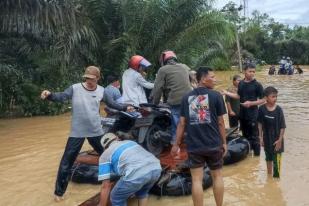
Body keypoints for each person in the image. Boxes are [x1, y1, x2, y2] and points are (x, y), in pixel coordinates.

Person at [40, 66, 105, 201]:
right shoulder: (75, 88)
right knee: (66, 162)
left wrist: (125, 107)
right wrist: (50, 95)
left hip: (95, 130)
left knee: (107, 156)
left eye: (92, 79)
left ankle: (110, 180)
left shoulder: (102, 91)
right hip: (77, 131)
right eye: (87, 78)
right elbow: (62, 96)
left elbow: (113, 103)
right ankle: (59, 193)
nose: (89, 81)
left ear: (98, 78)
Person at [171, 66, 227, 206]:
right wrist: (224, 142)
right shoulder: (216, 96)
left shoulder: (186, 97)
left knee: (196, 180)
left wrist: (176, 144)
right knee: (217, 176)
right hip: (213, 143)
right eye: (212, 77)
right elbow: (220, 122)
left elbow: (181, 123)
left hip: (195, 146)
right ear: (202, 79)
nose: (215, 80)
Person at [98, 133, 162, 206]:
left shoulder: (105, 155)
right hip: (156, 168)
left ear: (105, 148)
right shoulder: (131, 142)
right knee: (142, 192)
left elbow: (105, 186)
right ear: (117, 139)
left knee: (116, 197)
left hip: (137, 174)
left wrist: (101, 204)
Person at [223, 63, 265, 156]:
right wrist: (227, 93)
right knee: (245, 135)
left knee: (255, 137)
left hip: (253, 115)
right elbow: (238, 96)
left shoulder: (257, 85)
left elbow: (263, 100)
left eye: (253, 72)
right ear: (245, 71)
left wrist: (251, 103)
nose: (252, 73)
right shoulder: (241, 83)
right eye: (250, 71)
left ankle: (257, 157)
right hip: (242, 114)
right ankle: (248, 155)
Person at [152, 50, 192, 144]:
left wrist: (155, 103)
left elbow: (157, 88)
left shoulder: (163, 70)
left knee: (176, 121)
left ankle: (175, 141)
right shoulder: (184, 66)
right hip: (190, 98)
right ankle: (191, 138)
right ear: (175, 58)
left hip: (176, 100)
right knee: (190, 119)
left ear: (164, 61)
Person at [258, 86, 286, 178]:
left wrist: (280, 140)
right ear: (266, 98)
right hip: (267, 139)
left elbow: (282, 126)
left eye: (276, 96)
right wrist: (260, 137)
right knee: (268, 159)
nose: (275, 98)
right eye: (273, 96)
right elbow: (260, 124)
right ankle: (269, 179)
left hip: (277, 140)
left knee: (276, 167)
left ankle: (276, 183)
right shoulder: (261, 109)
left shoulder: (279, 110)